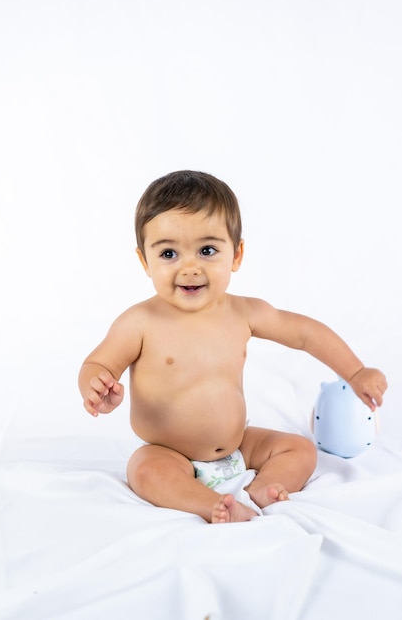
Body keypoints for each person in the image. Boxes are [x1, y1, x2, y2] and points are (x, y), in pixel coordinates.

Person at [78, 170, 387, 524]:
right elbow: (97, 363)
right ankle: (209, 504)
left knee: (299, 449)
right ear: (145, 261)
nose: (190, 267)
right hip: (169, 453)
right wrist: (97, 385)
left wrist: (356, 371)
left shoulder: (244, 312)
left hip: (238, 446)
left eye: (207, 250)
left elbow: (305, 333)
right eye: (168, 253)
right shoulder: (139, 322)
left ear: (236, 255)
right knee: (144, 470)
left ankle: (264, 489)